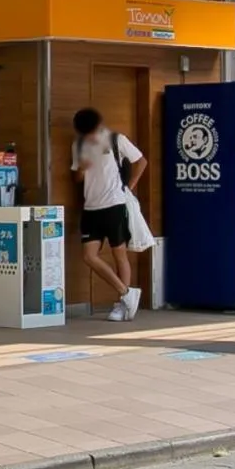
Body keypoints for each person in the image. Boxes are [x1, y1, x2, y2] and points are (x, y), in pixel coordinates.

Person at [72, 107, 146, 320]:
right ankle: (127, 293)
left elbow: (141, 161)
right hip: (90, 208)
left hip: (115, 205)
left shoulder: (116, 139)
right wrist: (82, 168)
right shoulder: (78, 145)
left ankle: (121, 305)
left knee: (119, 255)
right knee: (89, 256)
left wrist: (129, 187)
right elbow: (77, 178)